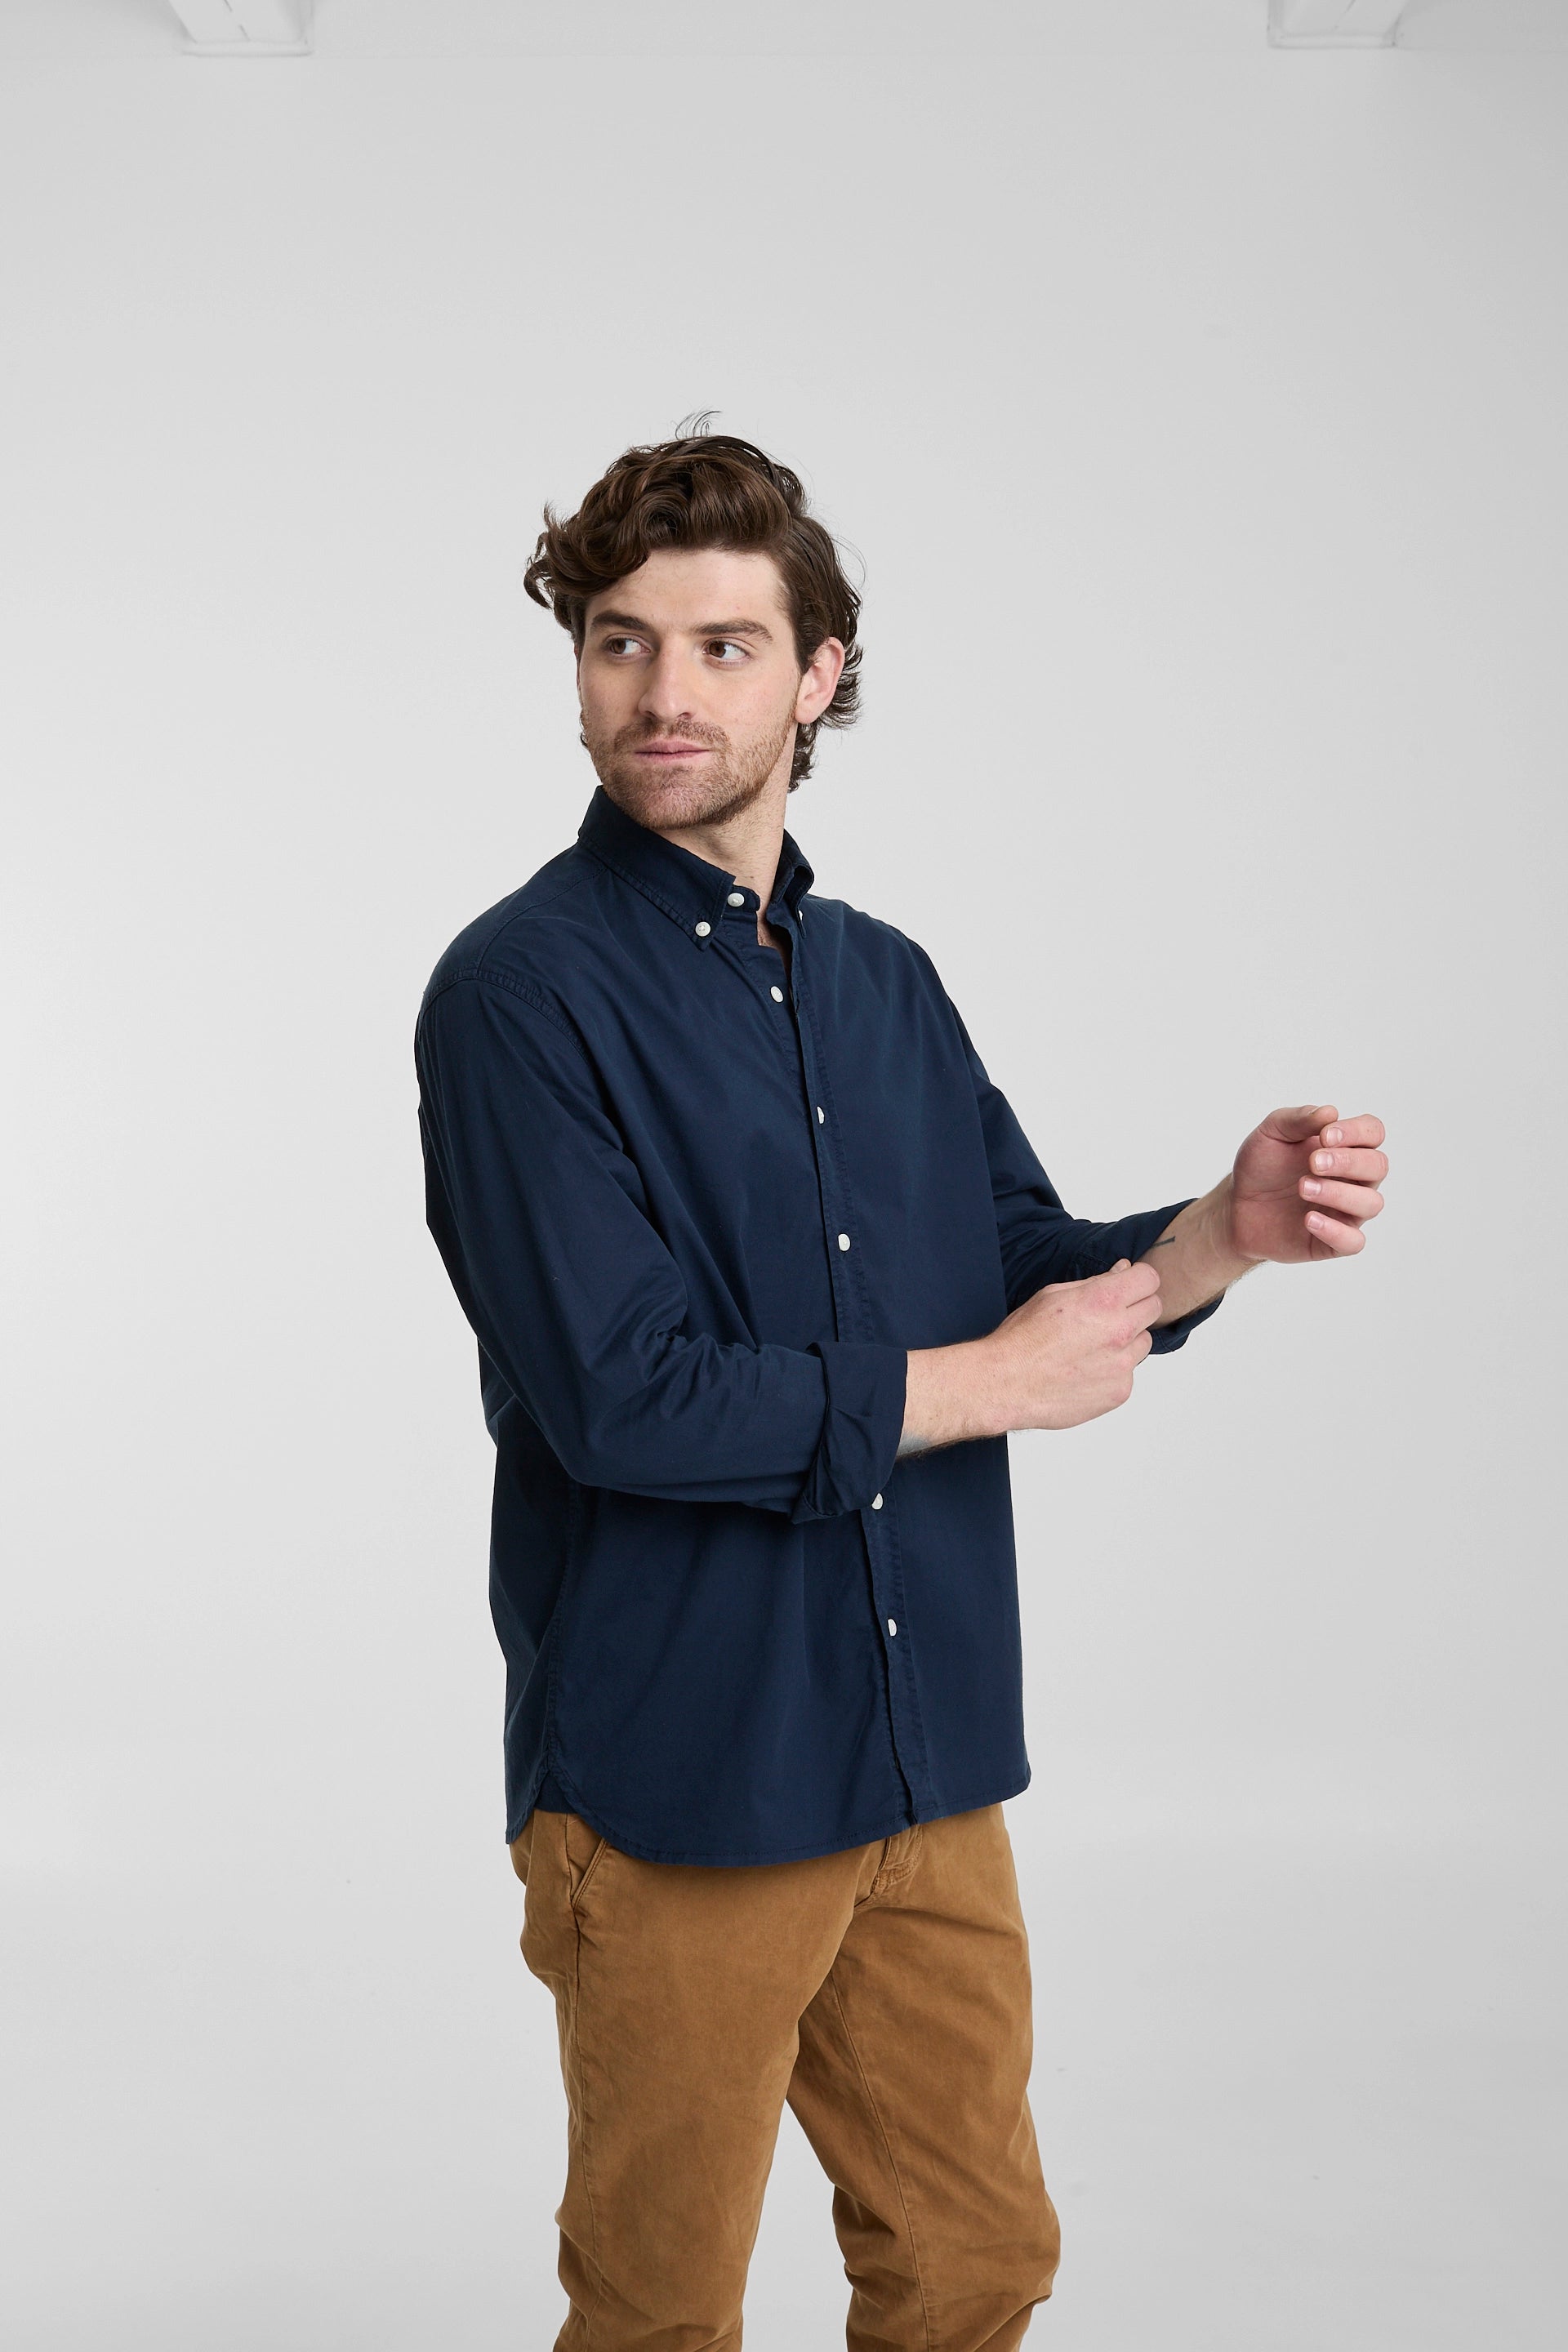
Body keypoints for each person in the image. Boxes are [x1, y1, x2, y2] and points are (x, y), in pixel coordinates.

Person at [413, 427, 1389, 2350]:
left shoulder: (885, 985)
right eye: (621, 643)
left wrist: (1221, 1235)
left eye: (723, 645)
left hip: (920, 1757)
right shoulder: (518, 993)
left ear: (818, 676)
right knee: (664, 2315)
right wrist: (987, 1382)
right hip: (685, 1778)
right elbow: (629, 1400)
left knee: (974, 2266)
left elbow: (1016, 1268)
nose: (665, 692)